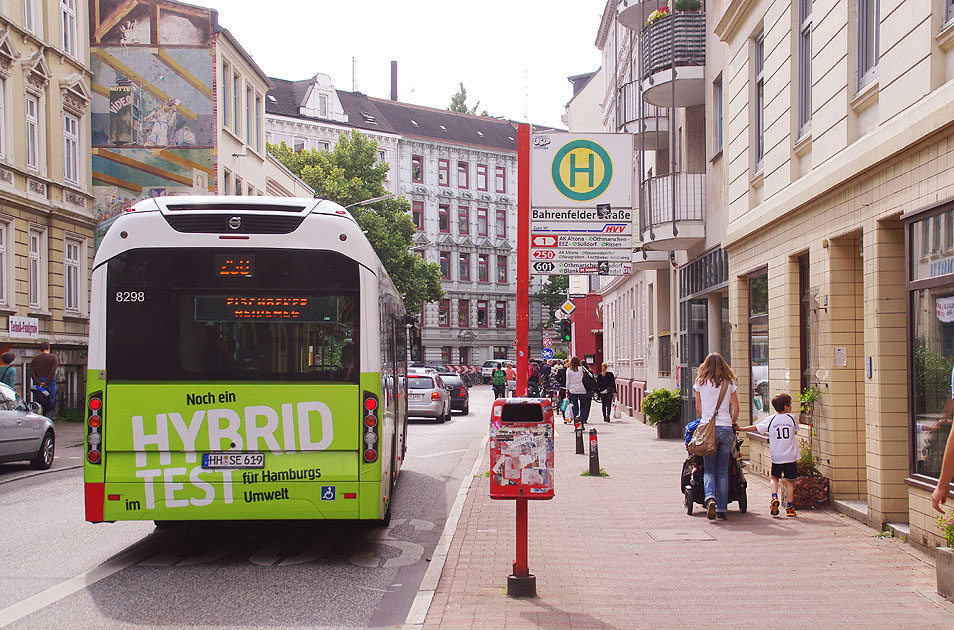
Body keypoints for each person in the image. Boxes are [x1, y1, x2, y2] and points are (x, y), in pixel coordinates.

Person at [692, 352, 740, 521]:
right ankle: (721, 509)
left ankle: (710, 498)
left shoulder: (700, 383)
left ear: (706, 365)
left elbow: (698, 409)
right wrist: (732, 422)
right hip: (725, 428)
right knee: (722, 471)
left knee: (709, 469)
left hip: (708, 430)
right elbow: (736, 408)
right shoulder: (729, 383)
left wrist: (705, 419)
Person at [736, 393, 799, 517]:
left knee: (774, 478)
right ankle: (790, 508)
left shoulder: (771, 419)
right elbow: (795, 431)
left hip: (777, 456)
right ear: (786, 407)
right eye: (790, 405)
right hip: (790, 456)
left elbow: (756, 427)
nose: (791, 407)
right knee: (788, 481)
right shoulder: (792, 418)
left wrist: (741, 429)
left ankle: (774, 497)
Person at [30, 342, 58, 416]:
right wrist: (46, 383)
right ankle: (47, 420)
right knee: (51, 405)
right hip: (50, 383)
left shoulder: (35, 359)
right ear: (48, 348)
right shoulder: (53, 358)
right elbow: (52, 371)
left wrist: (39, 382)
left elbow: (32, 373)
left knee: (40, 402)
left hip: (39, 384)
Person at [566, 356, 593, 426]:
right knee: (583, 407)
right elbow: (590, 375)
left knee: (575, 407)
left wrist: (567, 391)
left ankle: (576, 423)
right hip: (582, 390)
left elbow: (568, 382)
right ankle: (582, 422)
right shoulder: (582, 369)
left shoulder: (568, 370)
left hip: (573, 390)